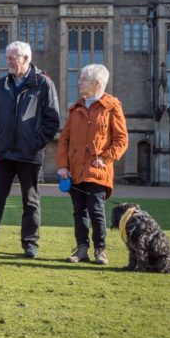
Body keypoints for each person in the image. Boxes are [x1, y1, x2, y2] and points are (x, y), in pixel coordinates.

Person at [0, 41, 60, 258]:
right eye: (8, 58)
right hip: (3, 153)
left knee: (30, 201)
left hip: (29, 154)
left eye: (13, 58)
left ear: (26, 59)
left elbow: (52, 120)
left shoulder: (43, 84)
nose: (8, 62)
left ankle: (30, 244)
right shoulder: (1, 85)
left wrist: (35, 142)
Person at [57, 64, 128, 265]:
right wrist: (63, 165)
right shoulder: (76, 108)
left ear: (97, 83)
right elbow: (64, 140)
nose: (79, 82)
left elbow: (121, 140)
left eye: (83, 79)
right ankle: (81, 249)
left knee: (96, 210)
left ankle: (100, 250)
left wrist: (105, 158)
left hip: (98, 169)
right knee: (78, 211)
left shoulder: (112, 106)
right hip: (75, 169)